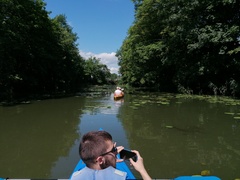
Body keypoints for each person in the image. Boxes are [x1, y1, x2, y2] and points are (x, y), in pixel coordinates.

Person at [71, 130, 151, 180]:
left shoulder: (75, 177)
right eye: (113, 150)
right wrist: (142, 170)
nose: (116, 152)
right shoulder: (122, 177)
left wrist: (110, 157)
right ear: (100, 160)